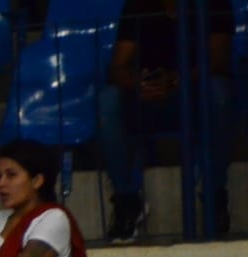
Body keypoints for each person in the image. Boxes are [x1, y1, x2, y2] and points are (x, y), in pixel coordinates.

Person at [97, 0, 235, 242]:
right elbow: (117, 68)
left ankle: (215, 196)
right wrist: (138, 85)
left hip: (193, 99)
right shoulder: (139, 6)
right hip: (148, 99)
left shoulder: (214, 4)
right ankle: (127, 202)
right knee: (108, 99)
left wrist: (176, 80)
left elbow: (218, 61)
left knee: (218, 92)